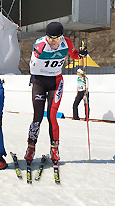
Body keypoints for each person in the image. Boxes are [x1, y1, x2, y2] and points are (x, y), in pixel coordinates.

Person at [25, 22, 88, 165]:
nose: (54, 42)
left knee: (52, 116)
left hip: (56, 82)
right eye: (51, 39)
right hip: (39, 82)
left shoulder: (67, 42)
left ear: (62, 37)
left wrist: (81, 55)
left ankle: (54, 149)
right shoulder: (40, 44)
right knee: (37, 117)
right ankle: (31, 147)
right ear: (46, 37)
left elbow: (74, 54)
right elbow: (37, 57)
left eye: (57, 39)